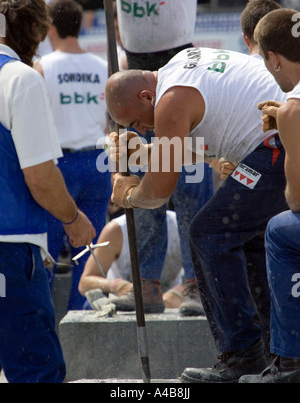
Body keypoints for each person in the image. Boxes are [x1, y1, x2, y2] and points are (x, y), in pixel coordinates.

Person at [105, 44, 290, 383]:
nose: (143, 129)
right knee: (245, 240)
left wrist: (128, 195)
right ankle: (276, 353)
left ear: (147, 96)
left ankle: (242, 356)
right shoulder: (180, 68)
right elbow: (198, 147)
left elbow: (159, 191)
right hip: (279, 138)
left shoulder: (170, 101)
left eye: (135, 122)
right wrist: (147, 153)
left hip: (278, 141)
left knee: (209, 234)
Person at [62, 0, 215, 316]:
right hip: (134, 90)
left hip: (179, 83)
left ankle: (198, 284)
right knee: (139, 190)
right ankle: (146, 285)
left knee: (190, 192)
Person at [0, 0, 95, 383]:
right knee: (36, 371)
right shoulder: (19, 79)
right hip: (10, 245)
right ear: (36, 33)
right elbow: (39, 177)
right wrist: (73, 220)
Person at [34, 0, 112, 310]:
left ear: (49, 28)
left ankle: (39, 324)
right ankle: (84, 321)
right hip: (96, 163)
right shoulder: (102, 66)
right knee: (90, 250)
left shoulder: (42, 68)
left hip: (59, 165)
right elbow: (110, 122)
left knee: (48, 251)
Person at [239, 8, 300, 383]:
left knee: (279, 228)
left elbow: (297, 199)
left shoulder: (293, 107)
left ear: (274, 58)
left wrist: (289, 131)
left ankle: (289, 360)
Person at [79, 210, 188, 311]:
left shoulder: (180, 225)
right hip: (122, 305)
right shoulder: (116, 230)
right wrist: (118, 286)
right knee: (94, 304)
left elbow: (202, 276)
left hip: (172, 304)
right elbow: (84, 283)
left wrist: (180, 291)